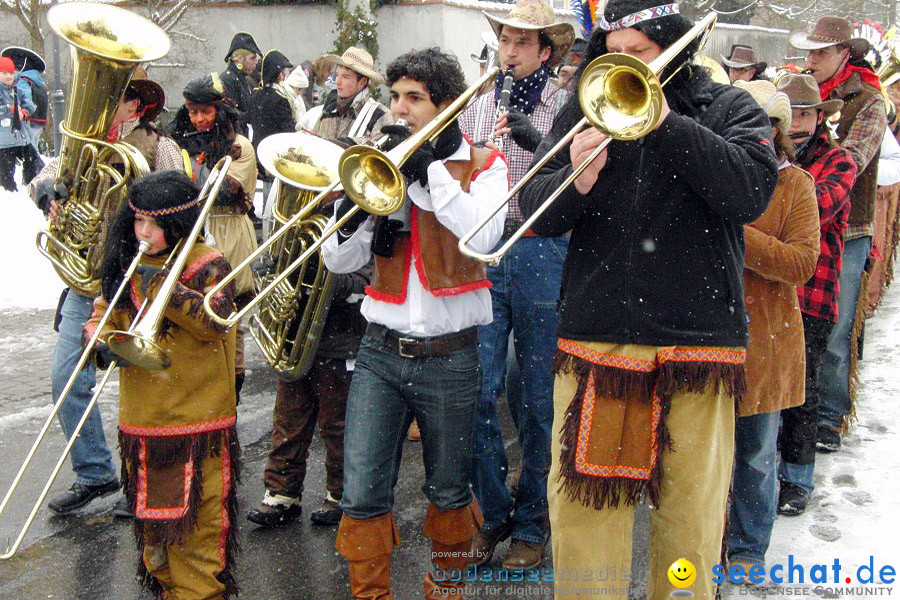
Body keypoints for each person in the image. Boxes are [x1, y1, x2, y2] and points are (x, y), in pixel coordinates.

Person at [518, 0, 778, 596]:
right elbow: (534, 214)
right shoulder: (585, 107)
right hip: (598, 337)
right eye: (614, 54)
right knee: (586, 518)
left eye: (639, 55)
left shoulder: (729, 106)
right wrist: (574, 177)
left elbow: (750, 193)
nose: (622, 68)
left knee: (689, 523)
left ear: (676, 48)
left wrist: (666, 124)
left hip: (698, 346)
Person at [321, 47, 508, 600]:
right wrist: (354, 210)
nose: (399, 109)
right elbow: (339, 263)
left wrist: (428, 171)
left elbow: (481, 236)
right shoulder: (380, 164)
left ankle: (443, 592)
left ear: (446, 105)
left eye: (415, 99)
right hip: (379, 351)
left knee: (450, 491)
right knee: (361, 491)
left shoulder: (485, 165)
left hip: (451, 355)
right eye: (396, 97)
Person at [29, 73, 183, 517]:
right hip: (88, 281)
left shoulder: (159, 144)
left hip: (142, 281)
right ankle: (95, 472)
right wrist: (47, 195)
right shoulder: (87, 143)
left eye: (119, 98)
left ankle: (147, 483)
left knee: (149, 387)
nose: (107, 103)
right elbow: (45, 174)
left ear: (136, 106)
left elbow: (182, 203)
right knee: (66, 377)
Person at [457, 0, 574, 571]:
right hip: (485, 248)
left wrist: (538, 139)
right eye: (504, 41)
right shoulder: (479, 104)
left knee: (537, 398)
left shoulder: (569, 104)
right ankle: (494, 510)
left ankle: (533, 521)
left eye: (521, 43)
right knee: (477, 392)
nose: (508, 52)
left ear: (545, 51)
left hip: (541, 247)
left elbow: (575, 177)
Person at [87, 170, 239, 599]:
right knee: (156, 545)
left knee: (197, 539)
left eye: (153, 224)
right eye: (137, 221)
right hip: (142, 426)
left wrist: (164, 290)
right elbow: (102, 312)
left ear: (177, 225)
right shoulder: (127, 263)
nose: (143, 232)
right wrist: (101, 343)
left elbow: (216, 322)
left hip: (195, 427)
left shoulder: (207, 263)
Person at [725, 79, 819, 571]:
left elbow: (803, 262)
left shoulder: (796, 185)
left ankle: (746, 552)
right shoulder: (713, 175)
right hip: (708, 341)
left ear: (776, 131)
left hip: (765, 344)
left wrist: (737, 235)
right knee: (702, 459)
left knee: (756, 460)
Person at [789, 15, 887, 455]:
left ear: (844, 53)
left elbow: (855, 158)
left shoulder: (869, 100)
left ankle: (828, 415)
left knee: (836, 323)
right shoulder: (796, 88)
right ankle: (793, 411)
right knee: (793, 321)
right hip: (796, 222)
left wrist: (797, 184)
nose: (810, 60)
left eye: (820, 53)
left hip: (847, 227)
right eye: (808, 52)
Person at [776, 73, 855, 515]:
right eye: (791, 114)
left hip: (812, 295)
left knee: (802, 392)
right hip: (770, 294)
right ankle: (767, 473)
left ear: (818, 117)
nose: (798, 122)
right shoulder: (768, 155)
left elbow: (816, 210)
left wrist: (778, 198)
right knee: (768, 392)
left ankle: (797, 480)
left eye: (805, 113)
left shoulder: (839, 160)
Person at [169, 72, 259, 401]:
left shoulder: (242, 146)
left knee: (228, 316)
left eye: (206, 111)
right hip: (194, 234)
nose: (199, 118)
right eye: (193, 111)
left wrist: (189, 162)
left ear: (219, 111)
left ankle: (230, 391)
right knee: (194, 313)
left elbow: (219, 192)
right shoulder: (180, 144)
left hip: (228, 230)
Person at [298, 47, 391, 142]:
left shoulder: (379, 116)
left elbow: (379, 153)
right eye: (337, 75)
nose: (337, 81)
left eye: (345, 77)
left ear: (362, 82)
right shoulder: (328, 111)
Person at [248, 50, 296, 208]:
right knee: (276, 198)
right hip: (277, 152)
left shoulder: (255, 95)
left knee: (266, 192)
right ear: (279, 74)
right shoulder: (280, 99)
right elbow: (288, 131)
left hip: (259, 148)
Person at [2, 46, 46, 185]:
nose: (10, 75)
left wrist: (20, 110)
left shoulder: (23, 80)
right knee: (31, 154)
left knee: (28, 154)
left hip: (27, 122)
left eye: (12, 71)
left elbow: (23, 100)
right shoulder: (37, 79)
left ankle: (31, 182)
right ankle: (35, 180)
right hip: (39, 120)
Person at [0, 55, 35, 191]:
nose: (9, 76)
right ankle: (11, 197)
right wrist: (11, 110)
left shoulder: (17, 90)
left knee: (34, 166)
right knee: (6, 176)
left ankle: (31, 189)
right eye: (4, 73)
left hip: (21, 138)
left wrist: (24, 112)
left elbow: (30, 104)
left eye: (11, 73)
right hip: (3, 142)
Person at [220, 32, 262, 134]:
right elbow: (231, 117)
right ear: (239, 59)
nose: (256, 61)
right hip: (236, 141)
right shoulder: (228, 80)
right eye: (252, 58)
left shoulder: (242, 78)